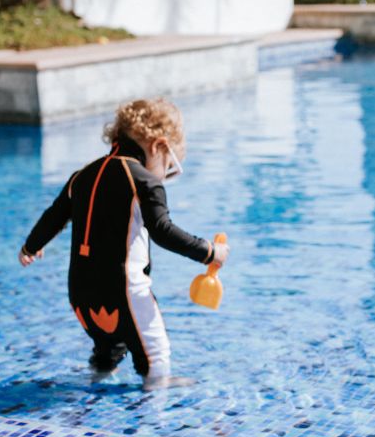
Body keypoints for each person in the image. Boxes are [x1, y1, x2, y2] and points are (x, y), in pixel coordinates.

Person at [19, 98, 229, 391]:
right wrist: (209, 251)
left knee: (109, 347)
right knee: (155, 351)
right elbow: (163, 230)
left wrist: (31, 246)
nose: (164, 175)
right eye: (169, 166)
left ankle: (99, 379)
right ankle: (154, 408)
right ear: (157, 146)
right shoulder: (144, 181)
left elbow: (54, 216)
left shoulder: (82, 176)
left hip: (80, 293)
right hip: (124, 291)